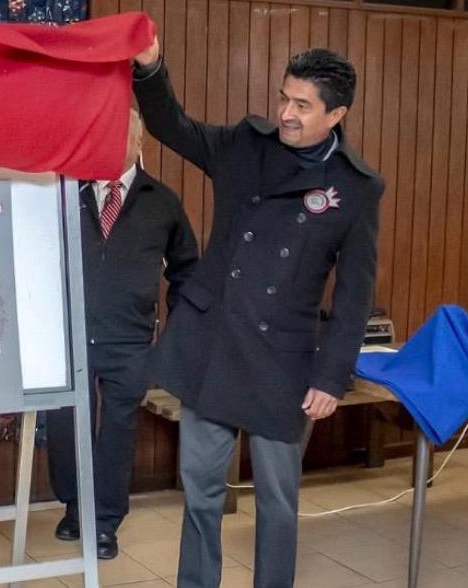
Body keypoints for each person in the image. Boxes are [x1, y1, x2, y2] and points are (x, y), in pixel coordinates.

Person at [132, 40, 384, 588]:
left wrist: (332, 375)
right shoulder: (245, 146)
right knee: (201, 492)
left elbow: (355, 294)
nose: (286, 114)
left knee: (277, 503)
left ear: (336, 114)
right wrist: (150, 68)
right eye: (284, 98)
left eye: (302, 105)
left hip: (285, 362)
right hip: (214, 342)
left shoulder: (357, 188)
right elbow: (170, 125)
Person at [47, 108, 198, 559]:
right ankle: (75, 508)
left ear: (139, 144)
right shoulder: (66, 193)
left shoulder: (162, 202)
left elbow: (188, 270)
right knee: (64, 423)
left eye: (119, 140)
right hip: (68, 335)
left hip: (130, 339)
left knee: (117, 429)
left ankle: (106, 522)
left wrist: (177, 331)